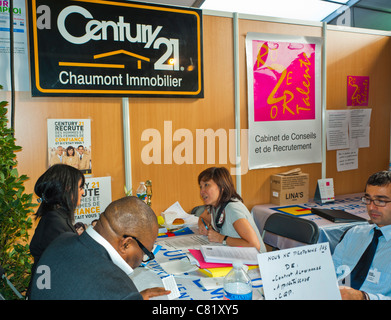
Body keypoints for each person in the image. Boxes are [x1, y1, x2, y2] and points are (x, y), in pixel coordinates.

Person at [29, 196, 170, 300]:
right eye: (145, 253)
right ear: (126, 244)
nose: (142, 259)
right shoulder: (119, 291)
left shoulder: (60, 240)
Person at [333, 170, 391, 300]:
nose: (371, 207)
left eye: (380, 201)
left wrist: (363, 297)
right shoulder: (354, 234)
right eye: (368, 199)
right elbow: (330, 273)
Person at [197, 167, 266, 253]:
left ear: (221, 187)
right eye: (201, 187)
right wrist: (203, 226)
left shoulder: (233, 209)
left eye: (206, 185)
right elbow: (203, 218)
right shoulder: (214, 205)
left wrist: (220, 238)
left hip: (254, 261)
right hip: (235, 255)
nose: (201, 191)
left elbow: (254, 245)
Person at [29, 164, 85, 265]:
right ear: (67, 189)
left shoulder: (56, 218)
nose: (83, 192)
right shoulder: (54, 223)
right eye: (80, 187)